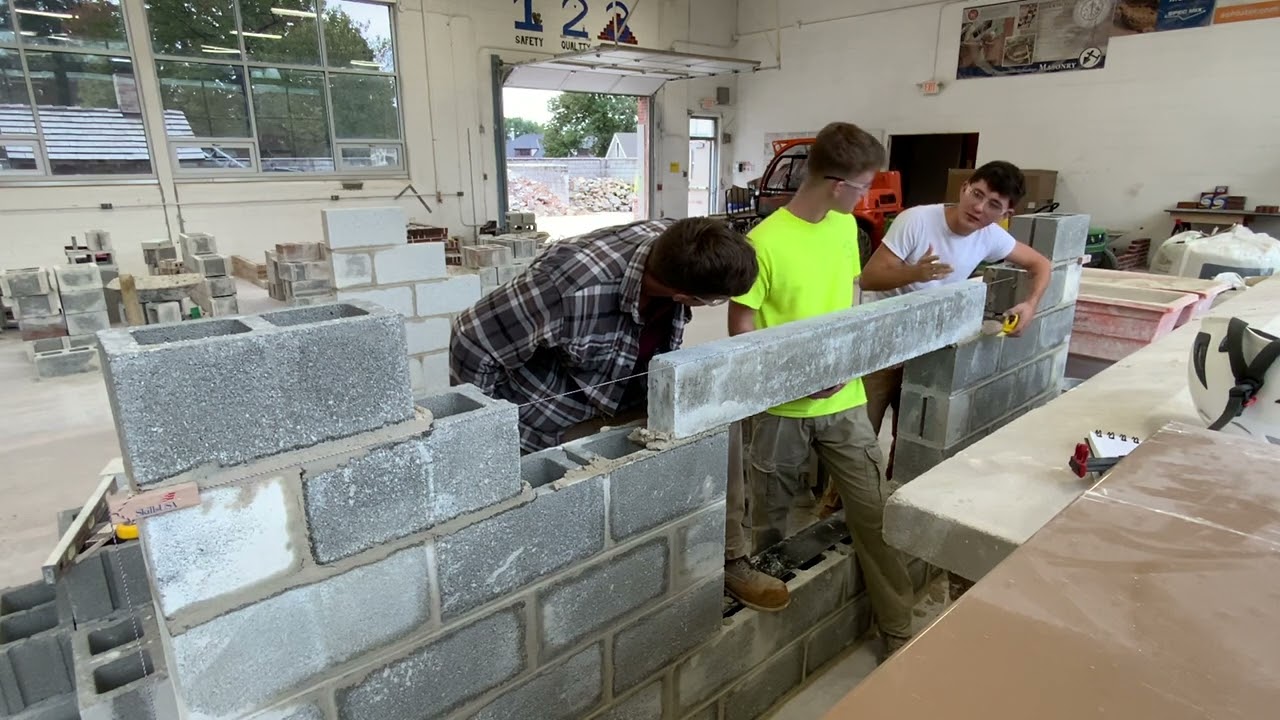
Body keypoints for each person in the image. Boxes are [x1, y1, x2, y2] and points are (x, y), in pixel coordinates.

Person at [450, 217, 791, 611]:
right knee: (569, 519)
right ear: (684, 296)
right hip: (555, 413)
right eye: (715, 302)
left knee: (715, 417)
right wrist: (488, 443)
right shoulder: (569, 283)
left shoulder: (685, 241)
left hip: (628, 385)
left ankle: (728, 557)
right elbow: (469, 339)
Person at [728, 122, 915, 654]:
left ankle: (898, 629)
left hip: (846, 401)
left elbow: (847, 298)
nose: (864, 197)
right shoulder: (763, 243)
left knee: (875, 513)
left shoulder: (843, 228)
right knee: (770, 526)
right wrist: (785, 380)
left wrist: (849, 356)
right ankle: (768, 649)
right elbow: (741, 328)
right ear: (837, 184)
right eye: (862, 187)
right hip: (781, 412)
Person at [857, 161, 1052, 478]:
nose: (978, 207)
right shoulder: (917, 221)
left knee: (911, 440)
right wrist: (915, 272)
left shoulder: (989, 237)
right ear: (964, 188)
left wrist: (1030, 305)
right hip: (885, 345)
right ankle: (836, 510)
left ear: (1005, 215)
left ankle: (891, 501)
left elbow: (1041, 264)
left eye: (993, 205)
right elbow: (869, 278)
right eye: (977, 194)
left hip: (930, 348)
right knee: (861, 440)